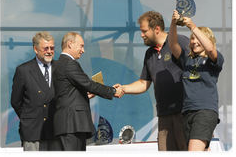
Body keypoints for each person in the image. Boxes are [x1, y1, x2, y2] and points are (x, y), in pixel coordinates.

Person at [118, 11, 189, 152]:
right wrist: (122, 88)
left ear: (157, 29)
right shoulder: (149, 53)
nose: (141, 35)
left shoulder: (179, 41)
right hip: (164, 115)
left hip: (184, 112)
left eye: (144, 31)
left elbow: (196, 69)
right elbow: (143, 83)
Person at [53, 32, 124, 152]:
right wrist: (113, 91)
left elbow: (68, 92)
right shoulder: (69, 63)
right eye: (81, 46)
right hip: (71, 124)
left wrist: (84, 95)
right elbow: (89, 84)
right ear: (70, 44)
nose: (83, 50)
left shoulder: (62, 63)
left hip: (71, 124)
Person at [168, 10, 224, 152]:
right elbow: (172, 44)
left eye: (197, 38)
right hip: (187, 112)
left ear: (207, 39)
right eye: (192, 38)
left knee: (193, 152)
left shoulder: (214, 59)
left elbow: (210, 49)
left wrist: (192, 26)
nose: (193, 41)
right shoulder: (187, 59)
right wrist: (173, 23)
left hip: (205, 110)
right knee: (203, 151)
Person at [11, 31, 60, 152]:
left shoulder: (61, 68)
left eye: (52, 48)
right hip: (33, 132)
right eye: (45, 48)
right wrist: (29, 119)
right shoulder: (23, 70)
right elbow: (16, 102)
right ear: (35, 49)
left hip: (56, 130)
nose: (49, 51)